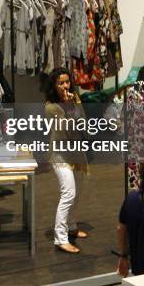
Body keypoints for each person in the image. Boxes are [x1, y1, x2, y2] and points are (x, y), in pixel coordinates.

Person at [45, 68, 88, 254]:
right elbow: (67, 130)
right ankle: (60, 238)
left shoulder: (75, 98)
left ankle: (71, 226)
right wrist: (70, 108)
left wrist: (75, 106)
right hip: (60, 154)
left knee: (77, 191)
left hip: (77, 152)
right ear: (54, 86)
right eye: (60, 83)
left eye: (67, 82)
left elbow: (83, 124)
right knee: (68, 192)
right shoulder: (51, 107)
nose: (65, 86)